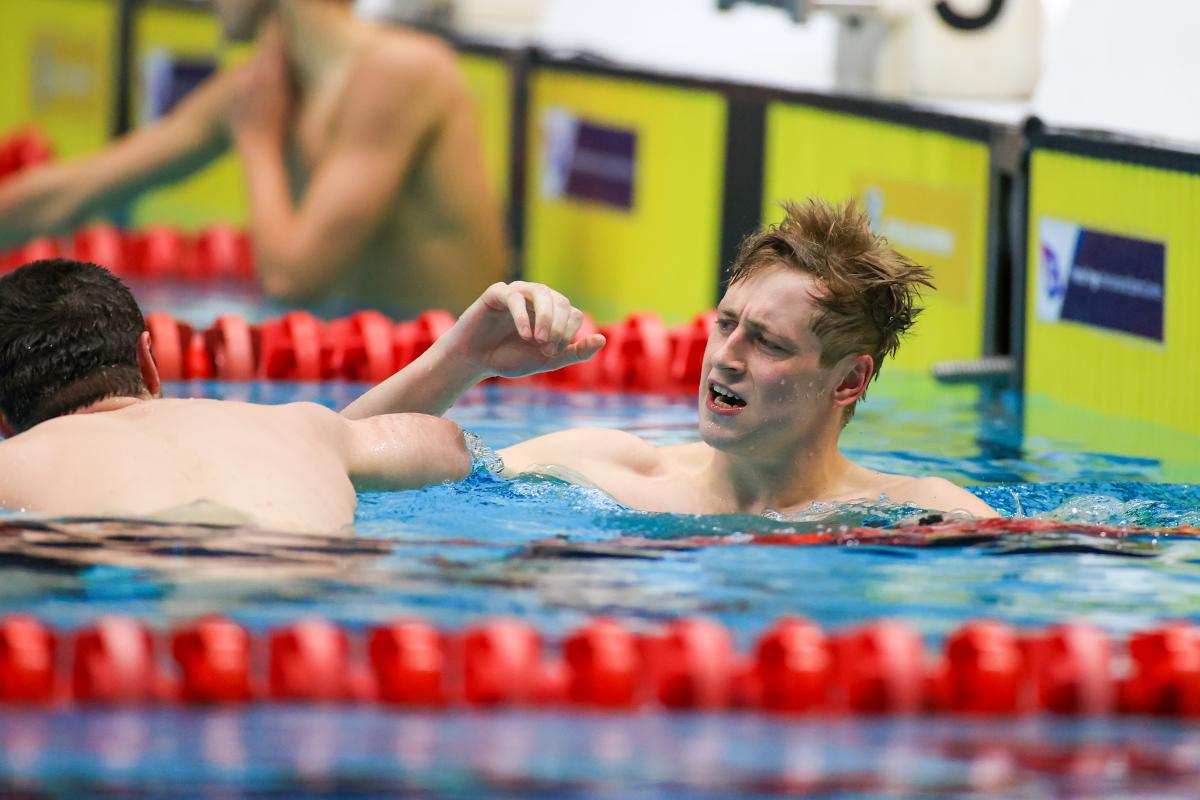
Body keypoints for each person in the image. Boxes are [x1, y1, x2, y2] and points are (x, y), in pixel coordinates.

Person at [348, 198, 999, 517]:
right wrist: (462, 361)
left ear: (849, 380)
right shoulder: (604, 472)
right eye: (725, 324)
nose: (726, 358)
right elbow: (334, 456)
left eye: (768, 341)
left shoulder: (917, 512)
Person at [0, 260, 603, 533]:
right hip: (317, 583)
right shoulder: (292, 430)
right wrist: (464, 361)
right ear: (147, 362)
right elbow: (444, 448)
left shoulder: (13, 466)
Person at [0, 0, 506, 312]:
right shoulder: (260, 91)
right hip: (359, 367)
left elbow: (294, 279)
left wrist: (258, 143)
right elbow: (73, 191)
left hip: (476, 393)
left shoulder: (405, 73)